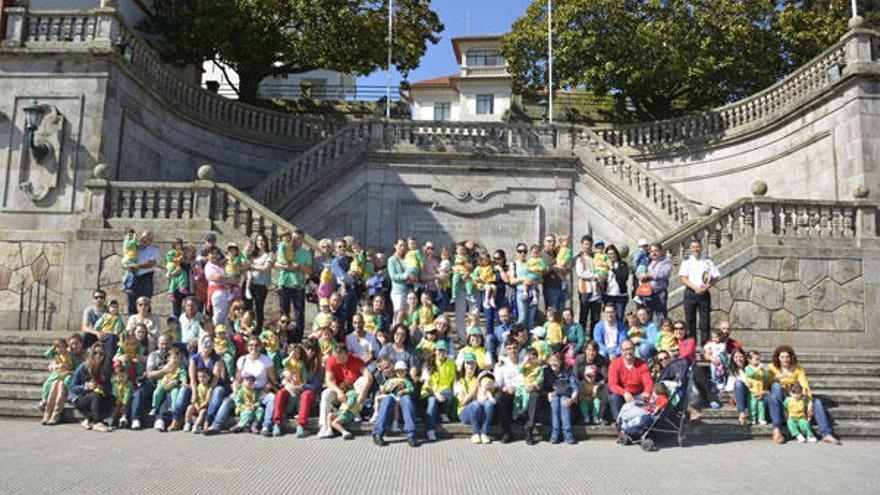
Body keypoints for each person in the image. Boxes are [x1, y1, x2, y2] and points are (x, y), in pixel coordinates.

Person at [766, 345, 840, 445]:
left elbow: (804, 385)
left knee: (816, 402)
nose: (785, 359)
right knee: (775, 387)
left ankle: (826, 434)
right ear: (778, 358)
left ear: (791, 357)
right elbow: (763, 381)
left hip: (796, 397)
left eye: (787, 356)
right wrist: (775, 378)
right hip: (780, 400)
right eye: (782, 357)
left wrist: (809, 401)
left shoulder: (798, 369)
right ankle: (777, 430)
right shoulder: (771, 368)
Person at [319, 344, 372, 438]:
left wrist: (364, 393)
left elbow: (369, 376)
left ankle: (356, 411)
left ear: (348, 353)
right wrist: (339, 391)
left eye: (342, 357)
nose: (339, 360)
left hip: (353, 391)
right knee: (325, 393)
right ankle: (325, 426)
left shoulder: (356, 359)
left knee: (363, 380)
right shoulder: (332, 360)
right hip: (338, 390)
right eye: (337, 357)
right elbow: (328, 380)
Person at [678, 239, 720, 346]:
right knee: (690, 321)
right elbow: (683, 278)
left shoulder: (707, 261)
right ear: (690, 249)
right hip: (690, 293)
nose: (696, 249)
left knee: (705, 321)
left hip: (704, 293)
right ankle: (691, 345)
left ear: (701, 248)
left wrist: (706, 287)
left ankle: (705, 346)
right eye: (693, 247)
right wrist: (695, 288)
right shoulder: (686, 262)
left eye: (698, 247)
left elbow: (716, 277)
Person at [275, 229, 312, 342]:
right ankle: (283, 338)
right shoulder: (284, 248)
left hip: (298, 287)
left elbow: (309, 271)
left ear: (302, 240)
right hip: (284, 284)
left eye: (298, 238)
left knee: (299, 314)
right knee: (283, 313)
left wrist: (298, 267)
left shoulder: (306, 253)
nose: (295, 240)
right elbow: (276, 264)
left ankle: (298, 339)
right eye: (293, 238)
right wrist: (289, 267)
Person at [69, 343, 115, 432]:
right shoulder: (83, 367)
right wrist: (85, 387)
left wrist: (102, 386)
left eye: (101, 354)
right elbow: (72, 387)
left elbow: (109, 387)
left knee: (112, 400)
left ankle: (88, 420)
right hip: (80, 397)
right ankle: (97, 422)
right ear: (91, 354)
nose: (98, 356)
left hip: (97, 396)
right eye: (95, 353)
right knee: (96, 396)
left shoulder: (105, 368)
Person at [372, 359, 418, 447]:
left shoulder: (407, 379)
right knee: (387, 400)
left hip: (404, 399)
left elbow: (413, 390)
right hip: (392, 399)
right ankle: (378, 433)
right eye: (398, 371)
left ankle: (411, 434)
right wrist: (388, 388)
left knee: (407, 399)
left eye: (402, 371)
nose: (400, 373)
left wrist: (404, 390)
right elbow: (383, 390)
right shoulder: (389, 379)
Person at [607, 339, 653, 421]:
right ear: (621, 351)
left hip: (638, 395)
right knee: (613, 397)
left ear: (634, 349)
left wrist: (647, 392)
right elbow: (612, 384)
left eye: (630, 349)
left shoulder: (642, 365)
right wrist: (624, 392)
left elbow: (648, 383)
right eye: (625, 349)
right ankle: (620, 425)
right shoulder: (615, 364)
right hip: (623, 396)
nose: (628, 352)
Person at [186, 338, 225, 433]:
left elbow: (215, 379)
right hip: (198, 386)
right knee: (184, 390)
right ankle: (179, 420)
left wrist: (209, 393)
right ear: (201, 344)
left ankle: (207, 420)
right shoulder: (194, 358)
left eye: (211, 343)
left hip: (213, 386)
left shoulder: (217, 359)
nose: (208, 346)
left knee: (218, 390)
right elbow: (192, 378)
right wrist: (194, 393)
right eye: (206, 343)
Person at [456, 352, 494, 444]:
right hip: (465, 412)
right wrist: (474, 390)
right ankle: (475, 433)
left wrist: (487, 387)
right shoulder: (459, 381)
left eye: (472, 363)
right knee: (475, 404)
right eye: (467, 363)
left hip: (481, 409)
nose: (470, 365)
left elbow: (491, 388)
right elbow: (462, 402)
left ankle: (484, 433)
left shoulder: (481, 378)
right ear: (464, 365)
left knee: (489, 404)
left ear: (476, 365)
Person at [421, 341, 455, 442]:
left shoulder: (451, 363)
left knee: (449, 392)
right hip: (428, 393)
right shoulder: (428, 363)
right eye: (439, 350)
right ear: (435, 351)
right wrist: (435, 395)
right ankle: (430, 431)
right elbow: (426, 386)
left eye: (443, 350)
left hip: (444, 393)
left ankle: (443, 413)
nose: (441, 352)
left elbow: (453, 381)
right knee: (432, 401)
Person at [543, 352, 579, 444]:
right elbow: (541, 388)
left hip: (567, 400)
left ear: (561, 361)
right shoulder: (546, 372)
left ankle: (567, 434)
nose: (553, 363)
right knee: (555, 401)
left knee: (563, 400)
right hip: (551, 401)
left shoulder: (567, 372)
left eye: (556, 361)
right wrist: (547, 394)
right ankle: (555, 433)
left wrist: (572, 399)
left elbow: (575, 388)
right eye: (551, 361)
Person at [39, 338, 77, 424]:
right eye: (58, 347)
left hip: (68, 375)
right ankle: (47, 413)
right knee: (54, 385)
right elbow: (47, 354)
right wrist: (53, 347)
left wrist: (68, 372)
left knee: (60, 386)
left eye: (62, 347)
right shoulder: (56, 355)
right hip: (58, 375)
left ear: (66, 347)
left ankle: (56, 414)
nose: (60, 349)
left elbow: (77, 369)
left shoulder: (71, 355)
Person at [492, 339, 523, 443]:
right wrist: (504, 388)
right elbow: (497, 384)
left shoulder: (525, 361)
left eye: (514, 348)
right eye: (509, 349)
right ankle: (506, 432)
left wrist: (519, 388)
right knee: (500, 396)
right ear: (505, 350)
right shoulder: (501, 364)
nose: (512, 351)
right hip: (508, 393)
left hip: (523, 392)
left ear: (519, 348)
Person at [125, 230, 161, 316]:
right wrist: (126, 266)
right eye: (142, 237)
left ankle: (145, 328)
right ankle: (133, 328)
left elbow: (151, 263)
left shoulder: (154, 250)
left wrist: (136, 266)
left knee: (145, 304)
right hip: (132, 278)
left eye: (146, 238)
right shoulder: (134, 249)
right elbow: (124, 262)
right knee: (132, 306)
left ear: (151, 240)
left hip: (145, 278)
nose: (143, 239)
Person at [244, 233, 274, 330]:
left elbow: (265, 268)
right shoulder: (253, 254)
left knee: (258, 307)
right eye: (258, 241)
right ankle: (246, 327)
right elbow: (243, 261)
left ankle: (258, 328)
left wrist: (251, 265)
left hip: (261, 285)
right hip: (250, 283)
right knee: (247, 306)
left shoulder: (269, 254)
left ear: (265, 242)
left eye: (262, 240)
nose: (260, 242)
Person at [575, 235, 602, 331]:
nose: (587, 246)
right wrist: (594, 275)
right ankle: (582, 340)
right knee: (583, 317)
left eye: (590, 244)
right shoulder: (580, 258)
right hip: (585, 291)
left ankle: (593, 341)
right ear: (582, 245)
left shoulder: (596, 257)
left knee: (595, 318)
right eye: (586, 244)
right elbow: (580, 273)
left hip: (597, 291)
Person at [509, 242, 538, 331]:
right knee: (522, 318)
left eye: (524, 251)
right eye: (520, 251)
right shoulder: (513, 264)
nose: (522, 253)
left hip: (533, 292)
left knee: (531, 321)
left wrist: (534, 280)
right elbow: (512, 280)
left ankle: (529, 343)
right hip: (521, 292)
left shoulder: (531, 263)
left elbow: (538, 277)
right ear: (516, 252)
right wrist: (524, 279)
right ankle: (516, 339)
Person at [643, 243, 673, 322]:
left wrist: (651, 275)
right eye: (652, 251)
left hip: (660, 292)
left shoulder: (666, 262)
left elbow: (665, 273)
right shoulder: (649, 262)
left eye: (656, 251)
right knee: (647, 315)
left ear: (661, 251)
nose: (654, 253)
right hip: (648, 292)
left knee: (661, 315)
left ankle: (661, 333)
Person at [603, 244, 629, 322]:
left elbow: (623, 278)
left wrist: (613, 268)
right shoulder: (604, 265)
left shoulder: (622, 264)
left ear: (616, 253)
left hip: (620, 295)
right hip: (608, 295)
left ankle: (619, 333)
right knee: (609, 318)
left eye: (613, 253)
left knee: (619, 317)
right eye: (609, 254)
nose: (611, 256)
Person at [743, 350, 769, 425]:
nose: (759, 361)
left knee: (761, 405)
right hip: (752, 390)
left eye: (759, 359)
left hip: (760, 390)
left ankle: (761, 418)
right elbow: (751, 374)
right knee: (752, 405)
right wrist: (758, 368)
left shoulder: (761, 369)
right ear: (749, 360)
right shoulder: (748, 368)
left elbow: (766, 378)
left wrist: (766, 371)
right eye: (756, 359)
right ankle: (752, 418)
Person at [387, 238, 412, 315]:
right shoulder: (391, 260)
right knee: (398, 314)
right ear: (395, 246)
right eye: (400, 245)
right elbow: (393, 276)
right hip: (398, 292)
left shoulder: (407, 258)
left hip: (408, 291)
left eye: (404, 246)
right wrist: (406, 276)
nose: (402, 248)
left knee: (408, 314)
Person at [185, 367, 212, 433]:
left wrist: (202, 406)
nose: (201, 379)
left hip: (204, 406)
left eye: (204, 377)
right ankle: (187, 423)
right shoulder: (198, 386)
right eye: (199, 377)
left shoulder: (209, 387)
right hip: (197, 405)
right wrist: (196, 405)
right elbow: (196, 398)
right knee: (189, 408)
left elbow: (208, 401)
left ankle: (196, 426)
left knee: (203, 411)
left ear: (209, 377)